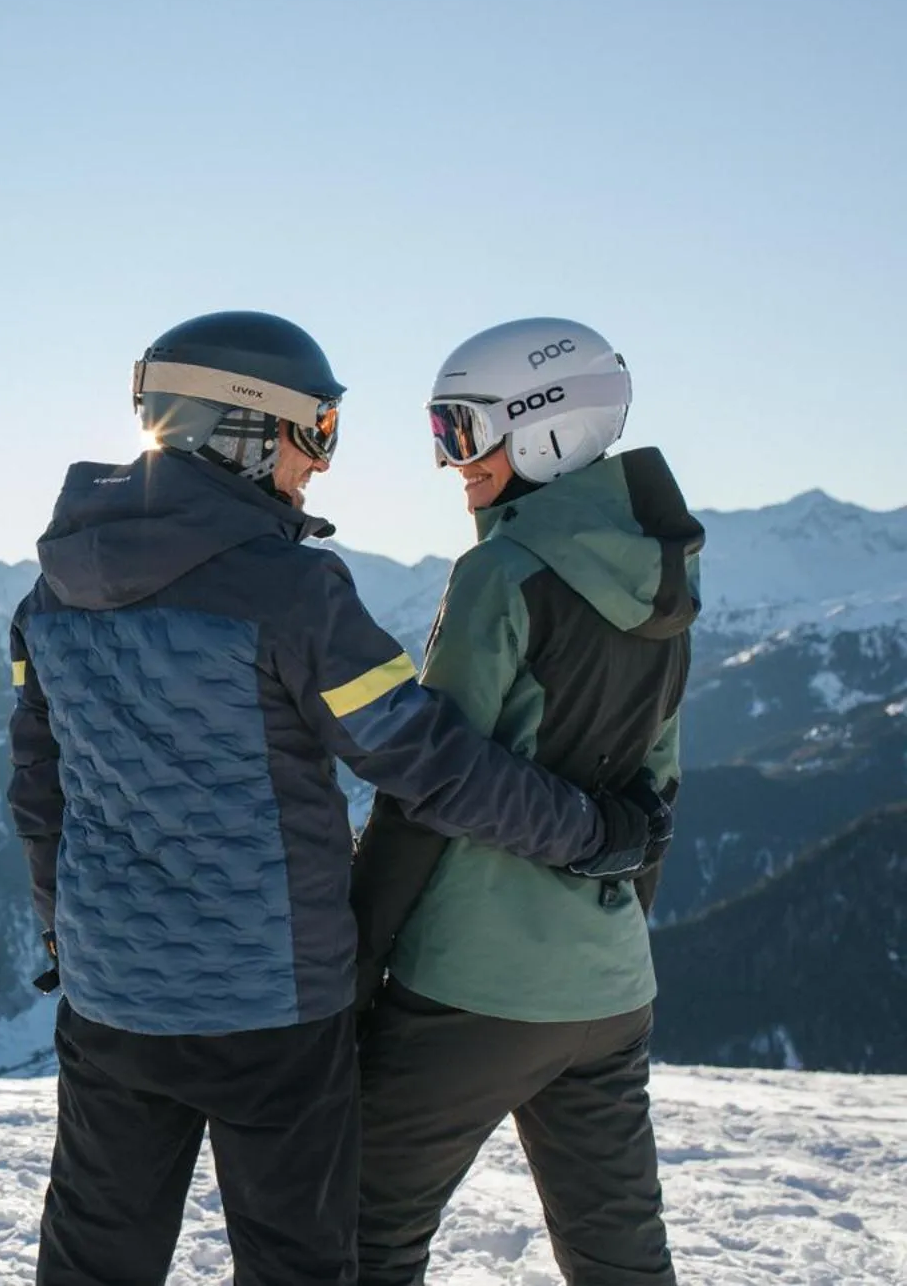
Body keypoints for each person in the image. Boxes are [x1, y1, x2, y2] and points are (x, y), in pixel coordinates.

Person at [7, 311, 662, 1286]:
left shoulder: (47, 598)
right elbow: (422, 758)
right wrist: (588, 831)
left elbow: (36, 793)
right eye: (313, 429)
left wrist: (71, 930)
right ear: (235, 426)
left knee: (96, 1252)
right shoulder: (291, 592)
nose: (318, 462)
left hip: (113, 1001)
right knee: (299, 1261)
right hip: (273, 1004)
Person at [351, 317, 702, 1286]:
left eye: (460, 433)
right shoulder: (665, 578)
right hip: (609, 989)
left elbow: (425, 785)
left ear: (542, 428)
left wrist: (353, 961)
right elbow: (656, 780)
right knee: (617, 1253)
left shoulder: (494, 575)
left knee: (354, 1231)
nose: (445, 463)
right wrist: (605, 934)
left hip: (471, 988)